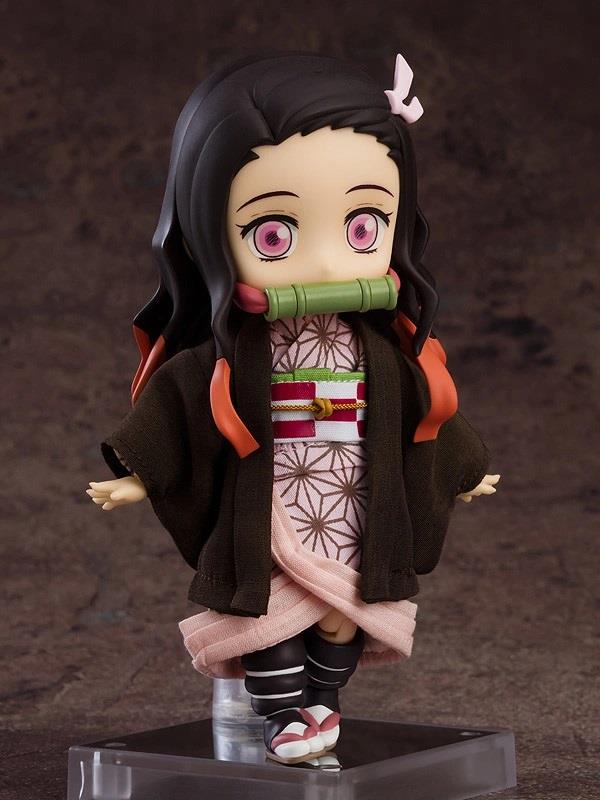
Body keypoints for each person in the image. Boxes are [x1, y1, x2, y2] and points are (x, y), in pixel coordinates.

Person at [86, 52, 499, 765]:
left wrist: (461, 469)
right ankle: (281, 715)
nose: (330, 264)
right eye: (274, 234)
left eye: (362, 226)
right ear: (211, 229)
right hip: (273, 505)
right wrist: (141, 473)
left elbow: (423, 405)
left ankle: (322, 703)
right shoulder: (231, 355)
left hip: (353, 504)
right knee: (271, 620)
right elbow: (180, 402)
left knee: (344, 615)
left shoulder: (382, 351)